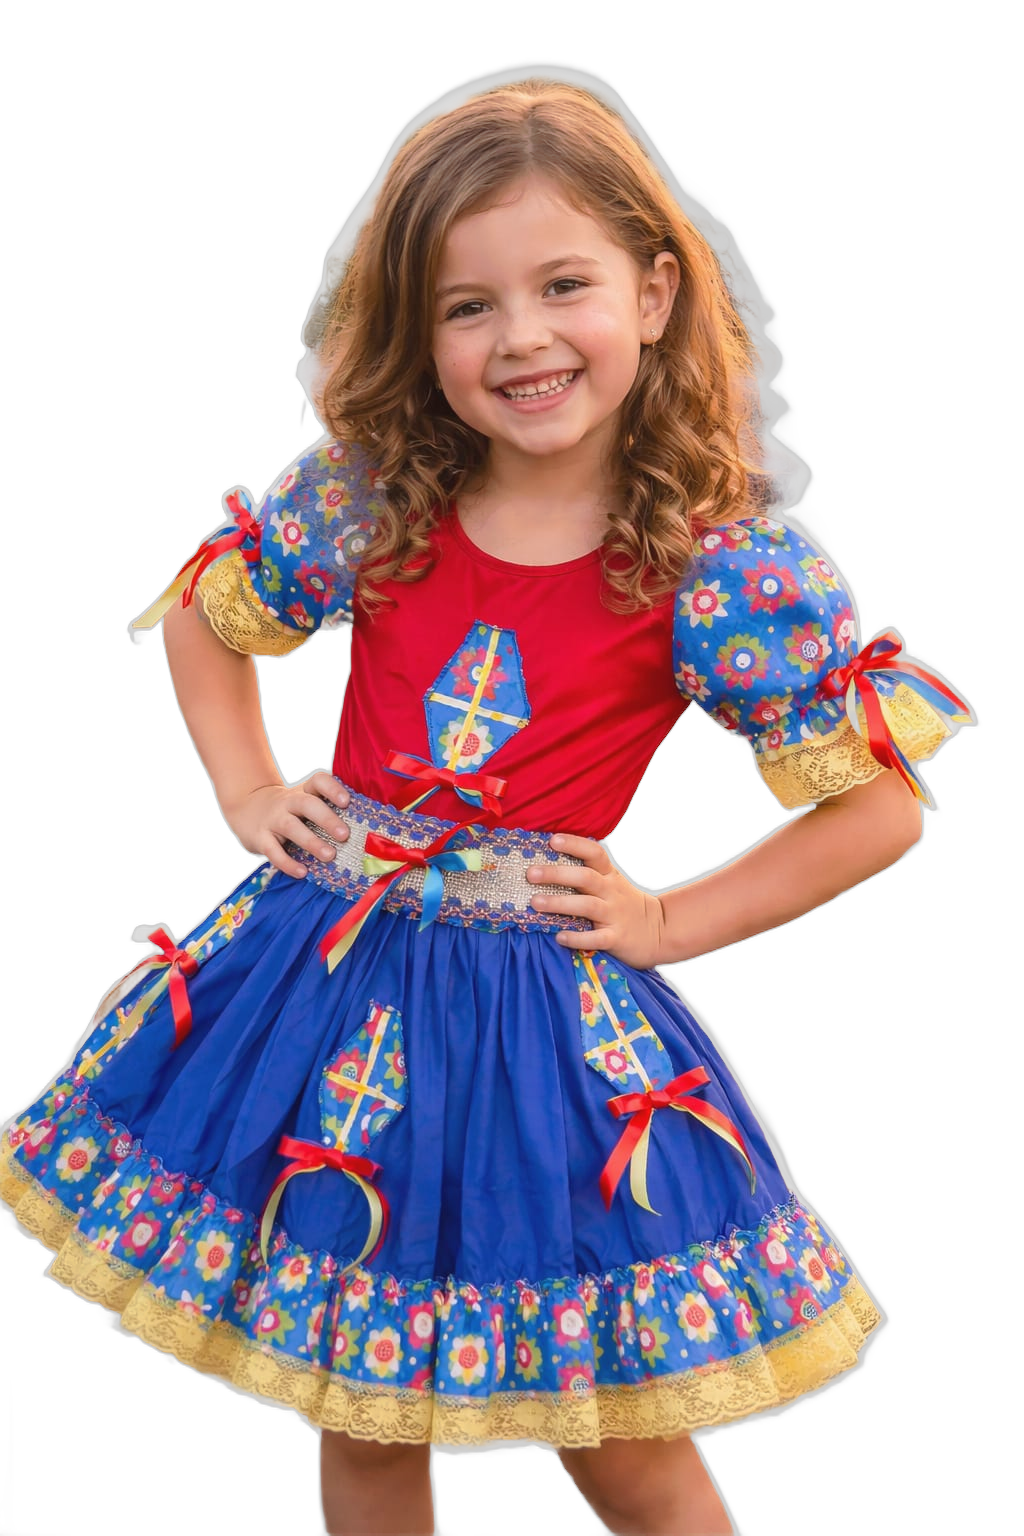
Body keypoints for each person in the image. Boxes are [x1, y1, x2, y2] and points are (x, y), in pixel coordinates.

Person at [0, 75, 974, 1536]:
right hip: (321, 1002)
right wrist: (248, 785)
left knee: (620, 1435)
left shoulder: (719, 568)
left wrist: (667, 921)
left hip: (537, 1042)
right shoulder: (375, 495)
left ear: (655, 295)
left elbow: (878, 809)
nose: (521, 336)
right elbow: (209, 613)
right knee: (361, 1407)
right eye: (468, 306)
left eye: (564, 285)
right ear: (418, 331)